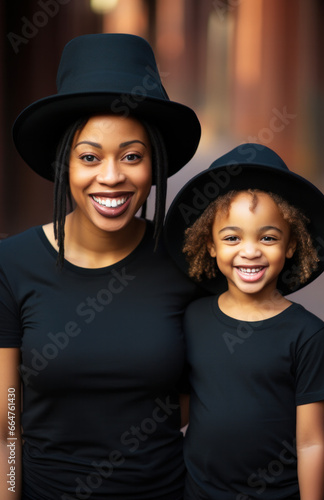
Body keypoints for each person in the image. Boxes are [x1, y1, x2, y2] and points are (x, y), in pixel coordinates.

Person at [0, 33, 203, 500]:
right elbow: (8, 426)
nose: (111, 176)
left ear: (155, 165)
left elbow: (199, 405)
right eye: (89, 157)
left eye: (132, 156)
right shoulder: (11, 267)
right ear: (63, 165)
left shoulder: (186, 265)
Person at [164, 143, 324, 500]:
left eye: (268, 237)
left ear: (291, 245)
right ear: (210, 244)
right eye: (232, 237)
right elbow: (177, 411)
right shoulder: (192, 319)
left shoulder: (308, 334)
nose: (250, 250)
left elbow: (311, 443)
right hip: (197, 493)